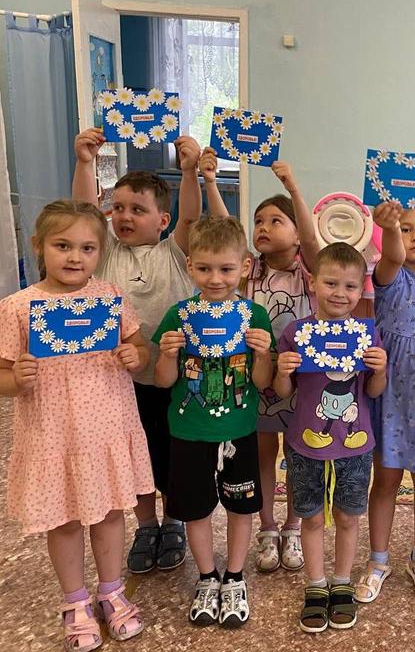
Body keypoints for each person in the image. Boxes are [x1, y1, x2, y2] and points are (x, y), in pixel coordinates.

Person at [0, 200, 153, 650]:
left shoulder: (110, 298)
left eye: (87, 248)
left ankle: (111, 591)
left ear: (100, 252)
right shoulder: (18, 308)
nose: (75, 257)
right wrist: (15, 378)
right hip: (54, 436)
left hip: (107, 430)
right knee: (66, 519)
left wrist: (135, 355)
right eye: (63, 245)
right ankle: (75, 601)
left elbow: (139, 348)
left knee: (110, 513)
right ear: (39, 246)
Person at [72, 128, 203, 573]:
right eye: (119, 207)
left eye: (138, 209)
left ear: (162, 220)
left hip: (171, 377)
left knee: (172, 454)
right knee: (135, 455)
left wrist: (190, 173)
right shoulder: (106, 252)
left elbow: (191, 218)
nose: (124, 216)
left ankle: (173, 520)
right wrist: (86, 162)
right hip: (119, 383)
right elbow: (83, 212)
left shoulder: (174, 253)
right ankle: (146, 525)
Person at [152, 216, 274, 628]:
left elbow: (262, 383)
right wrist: (167, 354)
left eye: (226, 268)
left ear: (244, 266)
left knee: (242, 507)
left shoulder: (254, 315)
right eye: (204, 268)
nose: (215, 278)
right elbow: (163, 381)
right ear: (190, 266)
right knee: (194, 509)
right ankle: (207, 576)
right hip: (188, 431)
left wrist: (263, 355)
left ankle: (235, 576)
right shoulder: (179, 316)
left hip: (238, 430)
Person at [203, 153, 318, 574]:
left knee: (299, 456)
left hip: (302, 380)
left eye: (275, 221)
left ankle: (293, 527)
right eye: (259, 221)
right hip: (257, 379)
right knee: (263, 455)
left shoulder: (309, 272)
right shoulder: (249, 271)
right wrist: (210, 181)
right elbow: (226, 230)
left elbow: (311, 241)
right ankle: (268, 527)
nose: (263, 227)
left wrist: (293, 189)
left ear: (296, 232)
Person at [274, 243, 388, 633]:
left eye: (350, 286)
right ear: (313, 282)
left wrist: (380, 369)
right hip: (305, 444)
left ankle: (341, 582)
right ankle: (316, 584)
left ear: (361, 289)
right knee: (310, 517)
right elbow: (283, 393)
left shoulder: (367, 335)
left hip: (355, 444)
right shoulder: (296, 334)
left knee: (348, 517)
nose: (340, 293)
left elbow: (373, 392)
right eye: (331, 283)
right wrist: (283, 371)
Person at [355, 202, 415, 605]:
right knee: (386, 480)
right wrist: (389, 227)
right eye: (407, 229)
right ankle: (378, 561)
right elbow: (393, 255)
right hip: (390, 395)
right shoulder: (391, 276)